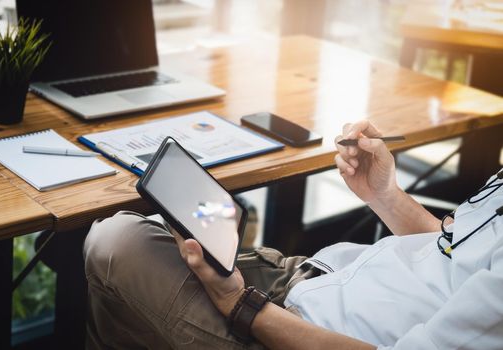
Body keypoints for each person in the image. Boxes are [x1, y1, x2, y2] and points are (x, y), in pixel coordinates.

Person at [83, 120, 503, 350]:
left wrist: (239, 304)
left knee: (115, 244)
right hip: (314, 279)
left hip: (303, 331)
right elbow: (454, 250)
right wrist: (386, 195)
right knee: (157, 237)